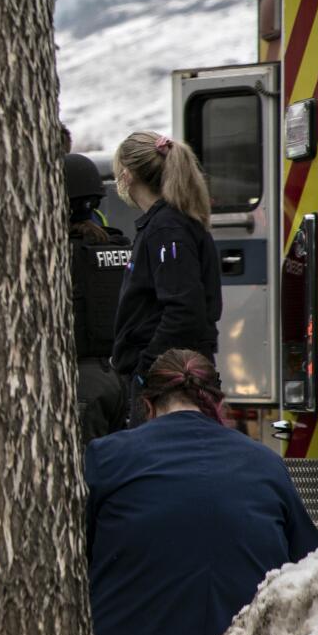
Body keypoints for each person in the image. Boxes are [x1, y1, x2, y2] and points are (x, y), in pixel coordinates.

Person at [87, 350, 318, 635]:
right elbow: (309, 564)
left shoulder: (106, 457)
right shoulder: (266, 464)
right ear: (217, 404)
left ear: (147, 407)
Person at [110, 131, 221, 424]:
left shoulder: (166, 230)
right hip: (172, 374)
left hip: (166, 384)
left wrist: (146, 368)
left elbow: (183, 309)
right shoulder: (171, 224)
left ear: (127, 174)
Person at [66, 153, 132, 443]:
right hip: (120, 377)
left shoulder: (61, 256)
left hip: (82, 379)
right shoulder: (120, 245)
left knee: (83, 473)